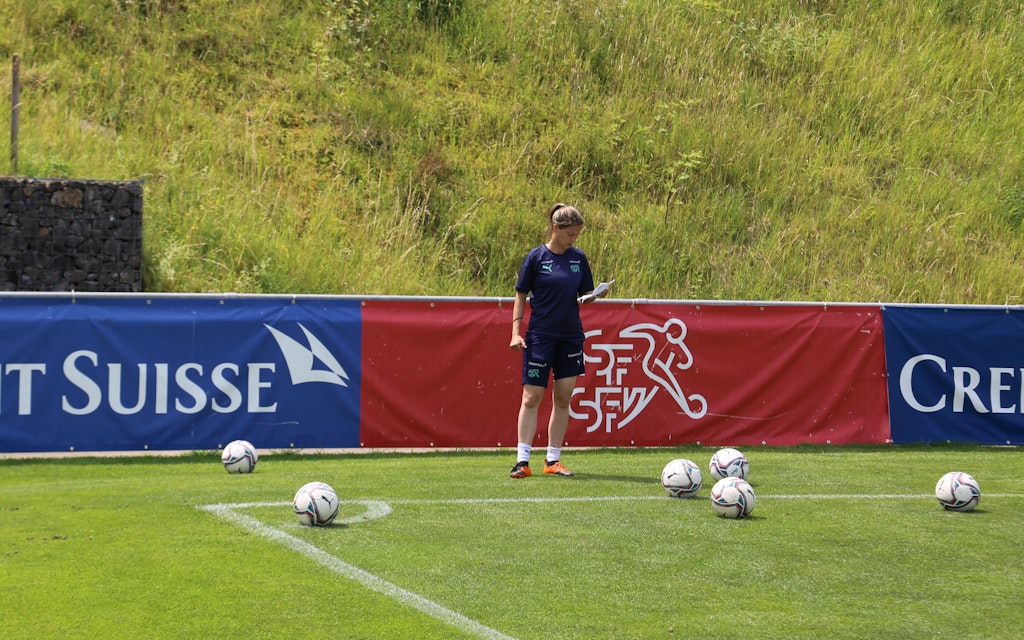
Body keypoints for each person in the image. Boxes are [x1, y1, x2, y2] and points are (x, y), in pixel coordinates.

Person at [508, 203, 605, 479]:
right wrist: (515, 332)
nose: (574, 239)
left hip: (571, 337)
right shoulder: (536, 258)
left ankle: (552, 459)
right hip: (540, 337)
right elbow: (520, 295)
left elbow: (585, 295)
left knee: (563, 397)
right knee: (531, 397)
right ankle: (522, 461)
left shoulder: (579, 259)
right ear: (555, 228)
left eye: (577, 234)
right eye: (570, 234)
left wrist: (596, 294)